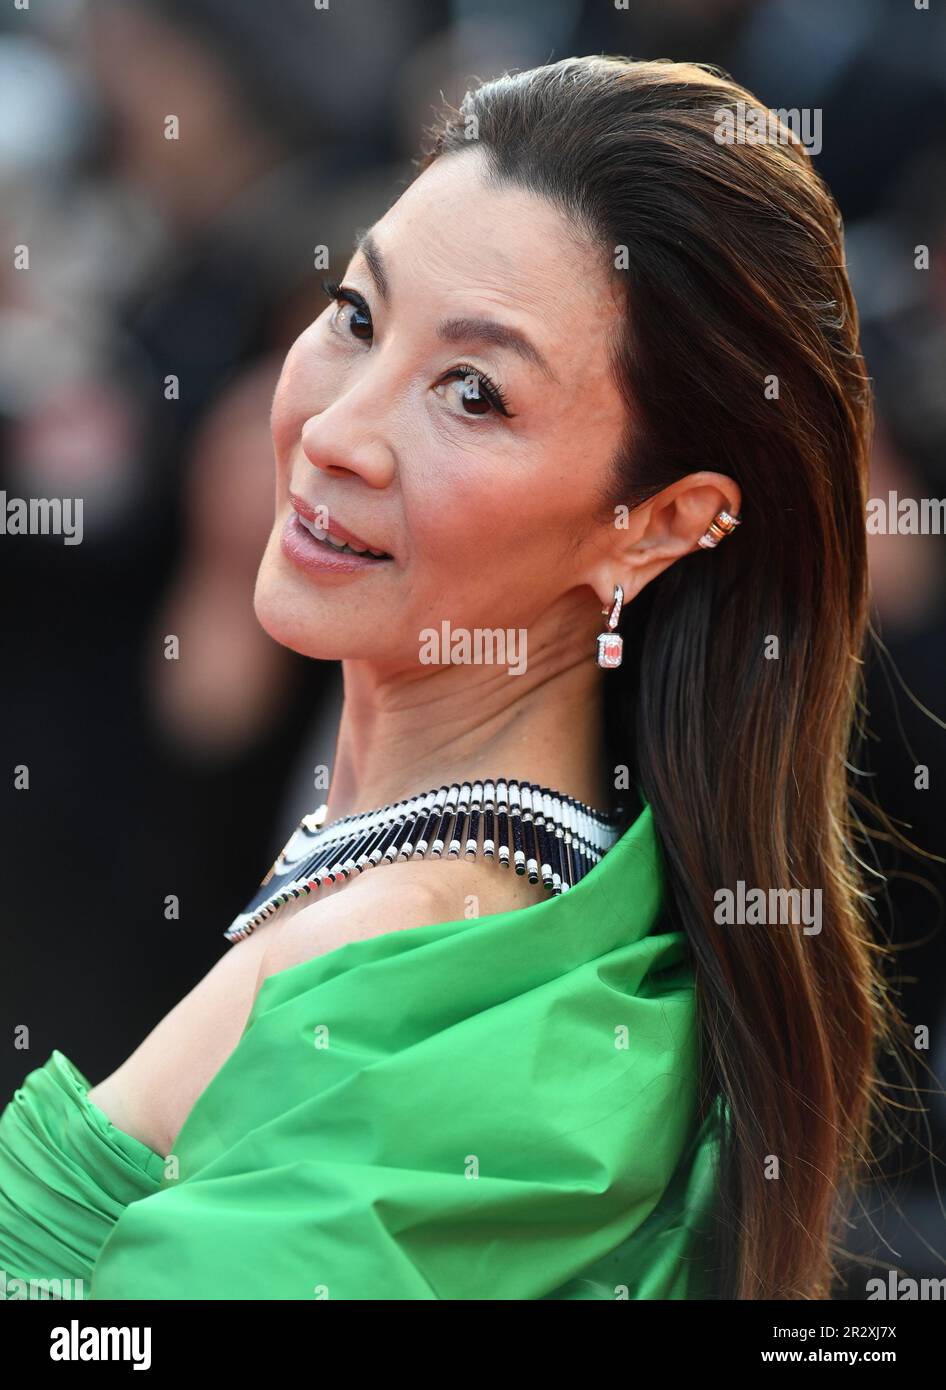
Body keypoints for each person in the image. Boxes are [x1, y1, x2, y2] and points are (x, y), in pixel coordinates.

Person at [0, 56, 901, 1300]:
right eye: (355, 316)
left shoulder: (414, 975)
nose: (333, 430)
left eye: (472, 393)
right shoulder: (552, 916)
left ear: (654, 521)